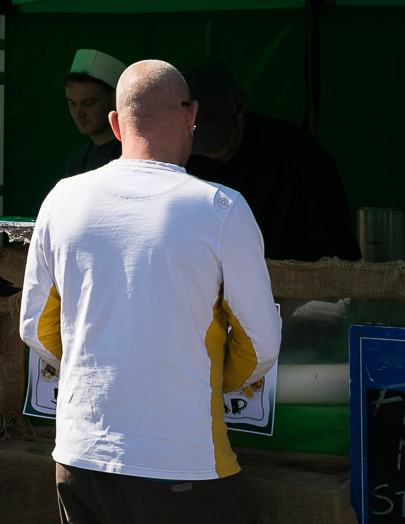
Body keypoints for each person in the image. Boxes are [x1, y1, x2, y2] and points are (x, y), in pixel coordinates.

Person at [21, 60, 281, 524]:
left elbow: (37, 328)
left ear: (115, 123)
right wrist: (201, 378)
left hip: (81, 457)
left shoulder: (61, 198)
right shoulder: (222, 208)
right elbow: (261, 344)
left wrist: (106, 364)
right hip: (185, 462)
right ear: (190, 115)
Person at [183, 62, 361, 263]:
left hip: (290, 276)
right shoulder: (183, 161)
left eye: (216, 139)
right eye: (198, 139)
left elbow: (333, 240)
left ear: (239, 109)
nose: (208, 151)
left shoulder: (297, 153)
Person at [63, 48, 127, 176]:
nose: (79, 113)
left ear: (115, 99)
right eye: (72, 103)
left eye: (88, 103)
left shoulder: (135, 154)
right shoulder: (77, 162)